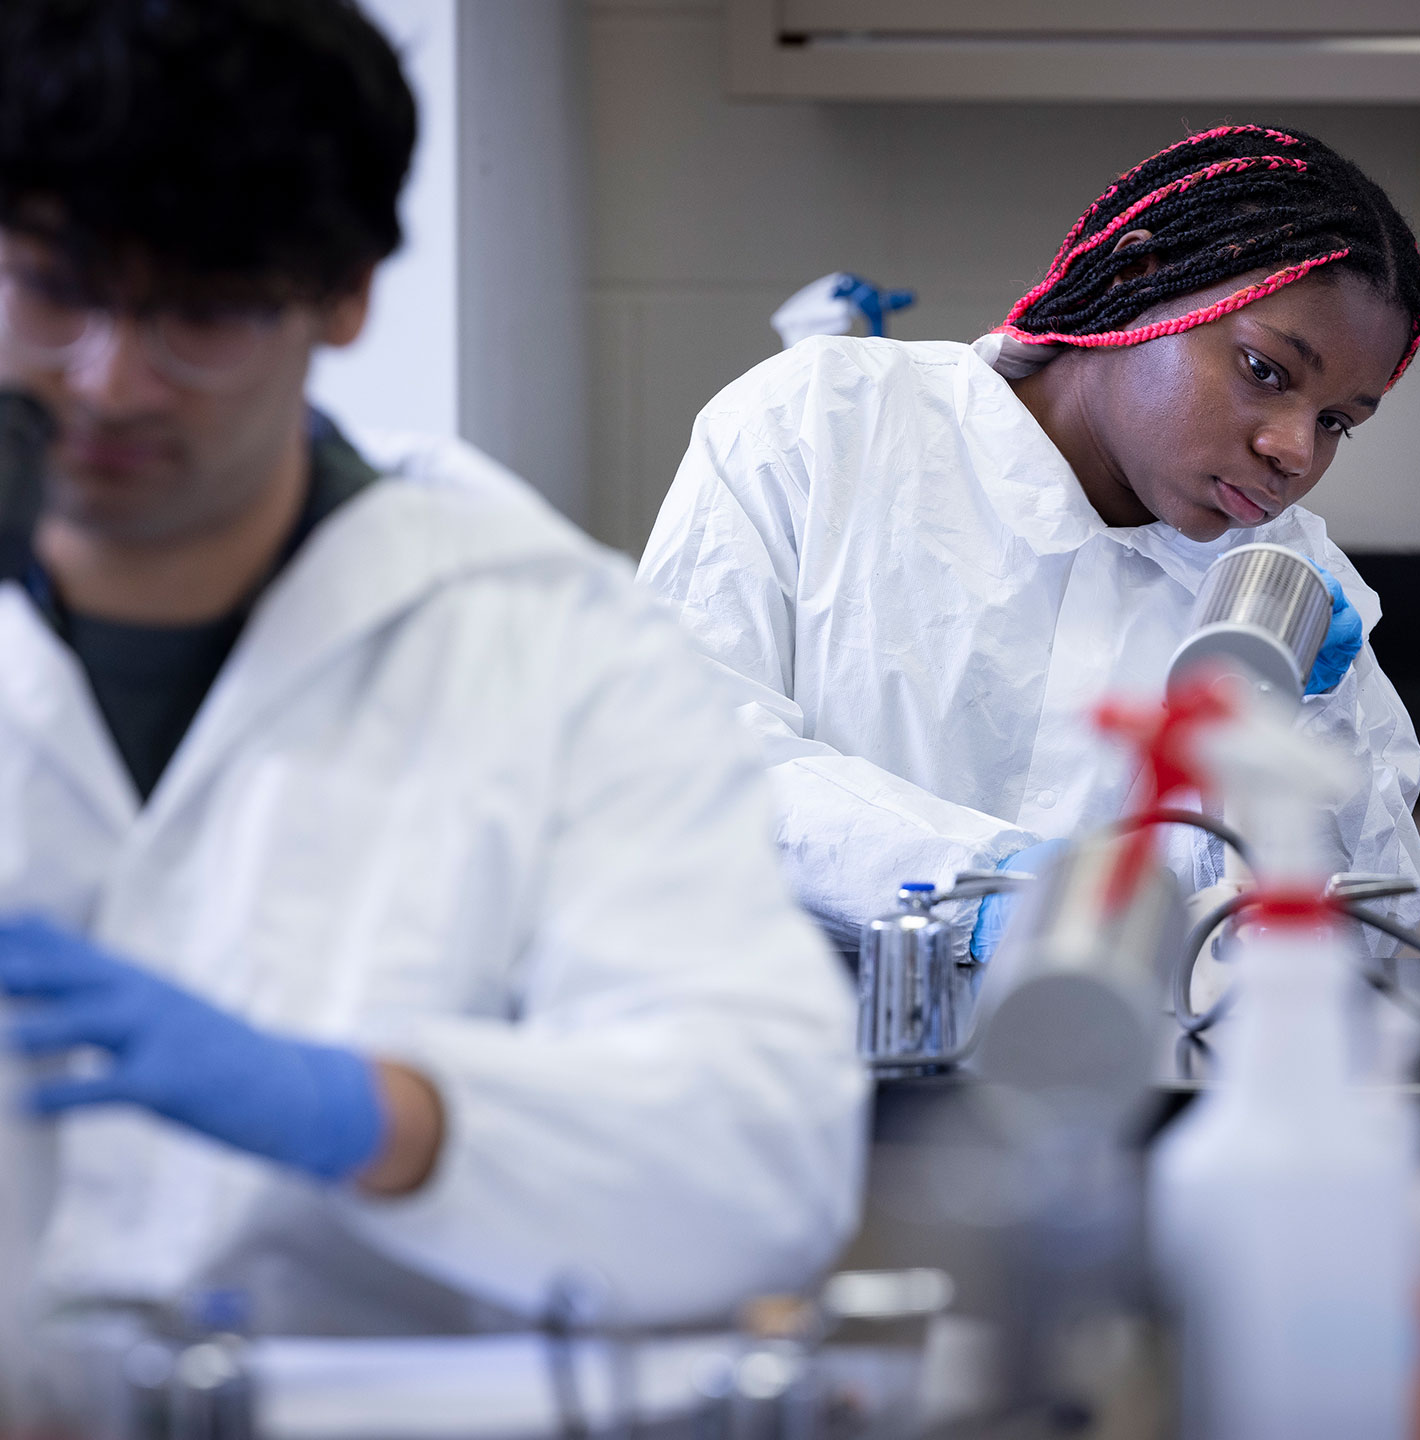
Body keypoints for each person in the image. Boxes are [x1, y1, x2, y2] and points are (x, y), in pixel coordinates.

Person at [0, 0, 864, 1334]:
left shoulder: (556, 651)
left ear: (344, 297)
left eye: (206, 311)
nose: (110, 380)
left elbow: (764, 1167)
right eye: (56, 290)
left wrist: (381, 1116)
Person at [640, 125, 1420, 958]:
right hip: (803, 1059)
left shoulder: (1289, 579)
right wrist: (985, 890)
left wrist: (1320, 718)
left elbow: (1369, 933)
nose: (1296, 451)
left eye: (1336, 421)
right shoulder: (826, 423)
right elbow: (693, 761)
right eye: (1264, 370)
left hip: (1131, 1079)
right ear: (1137, 276)